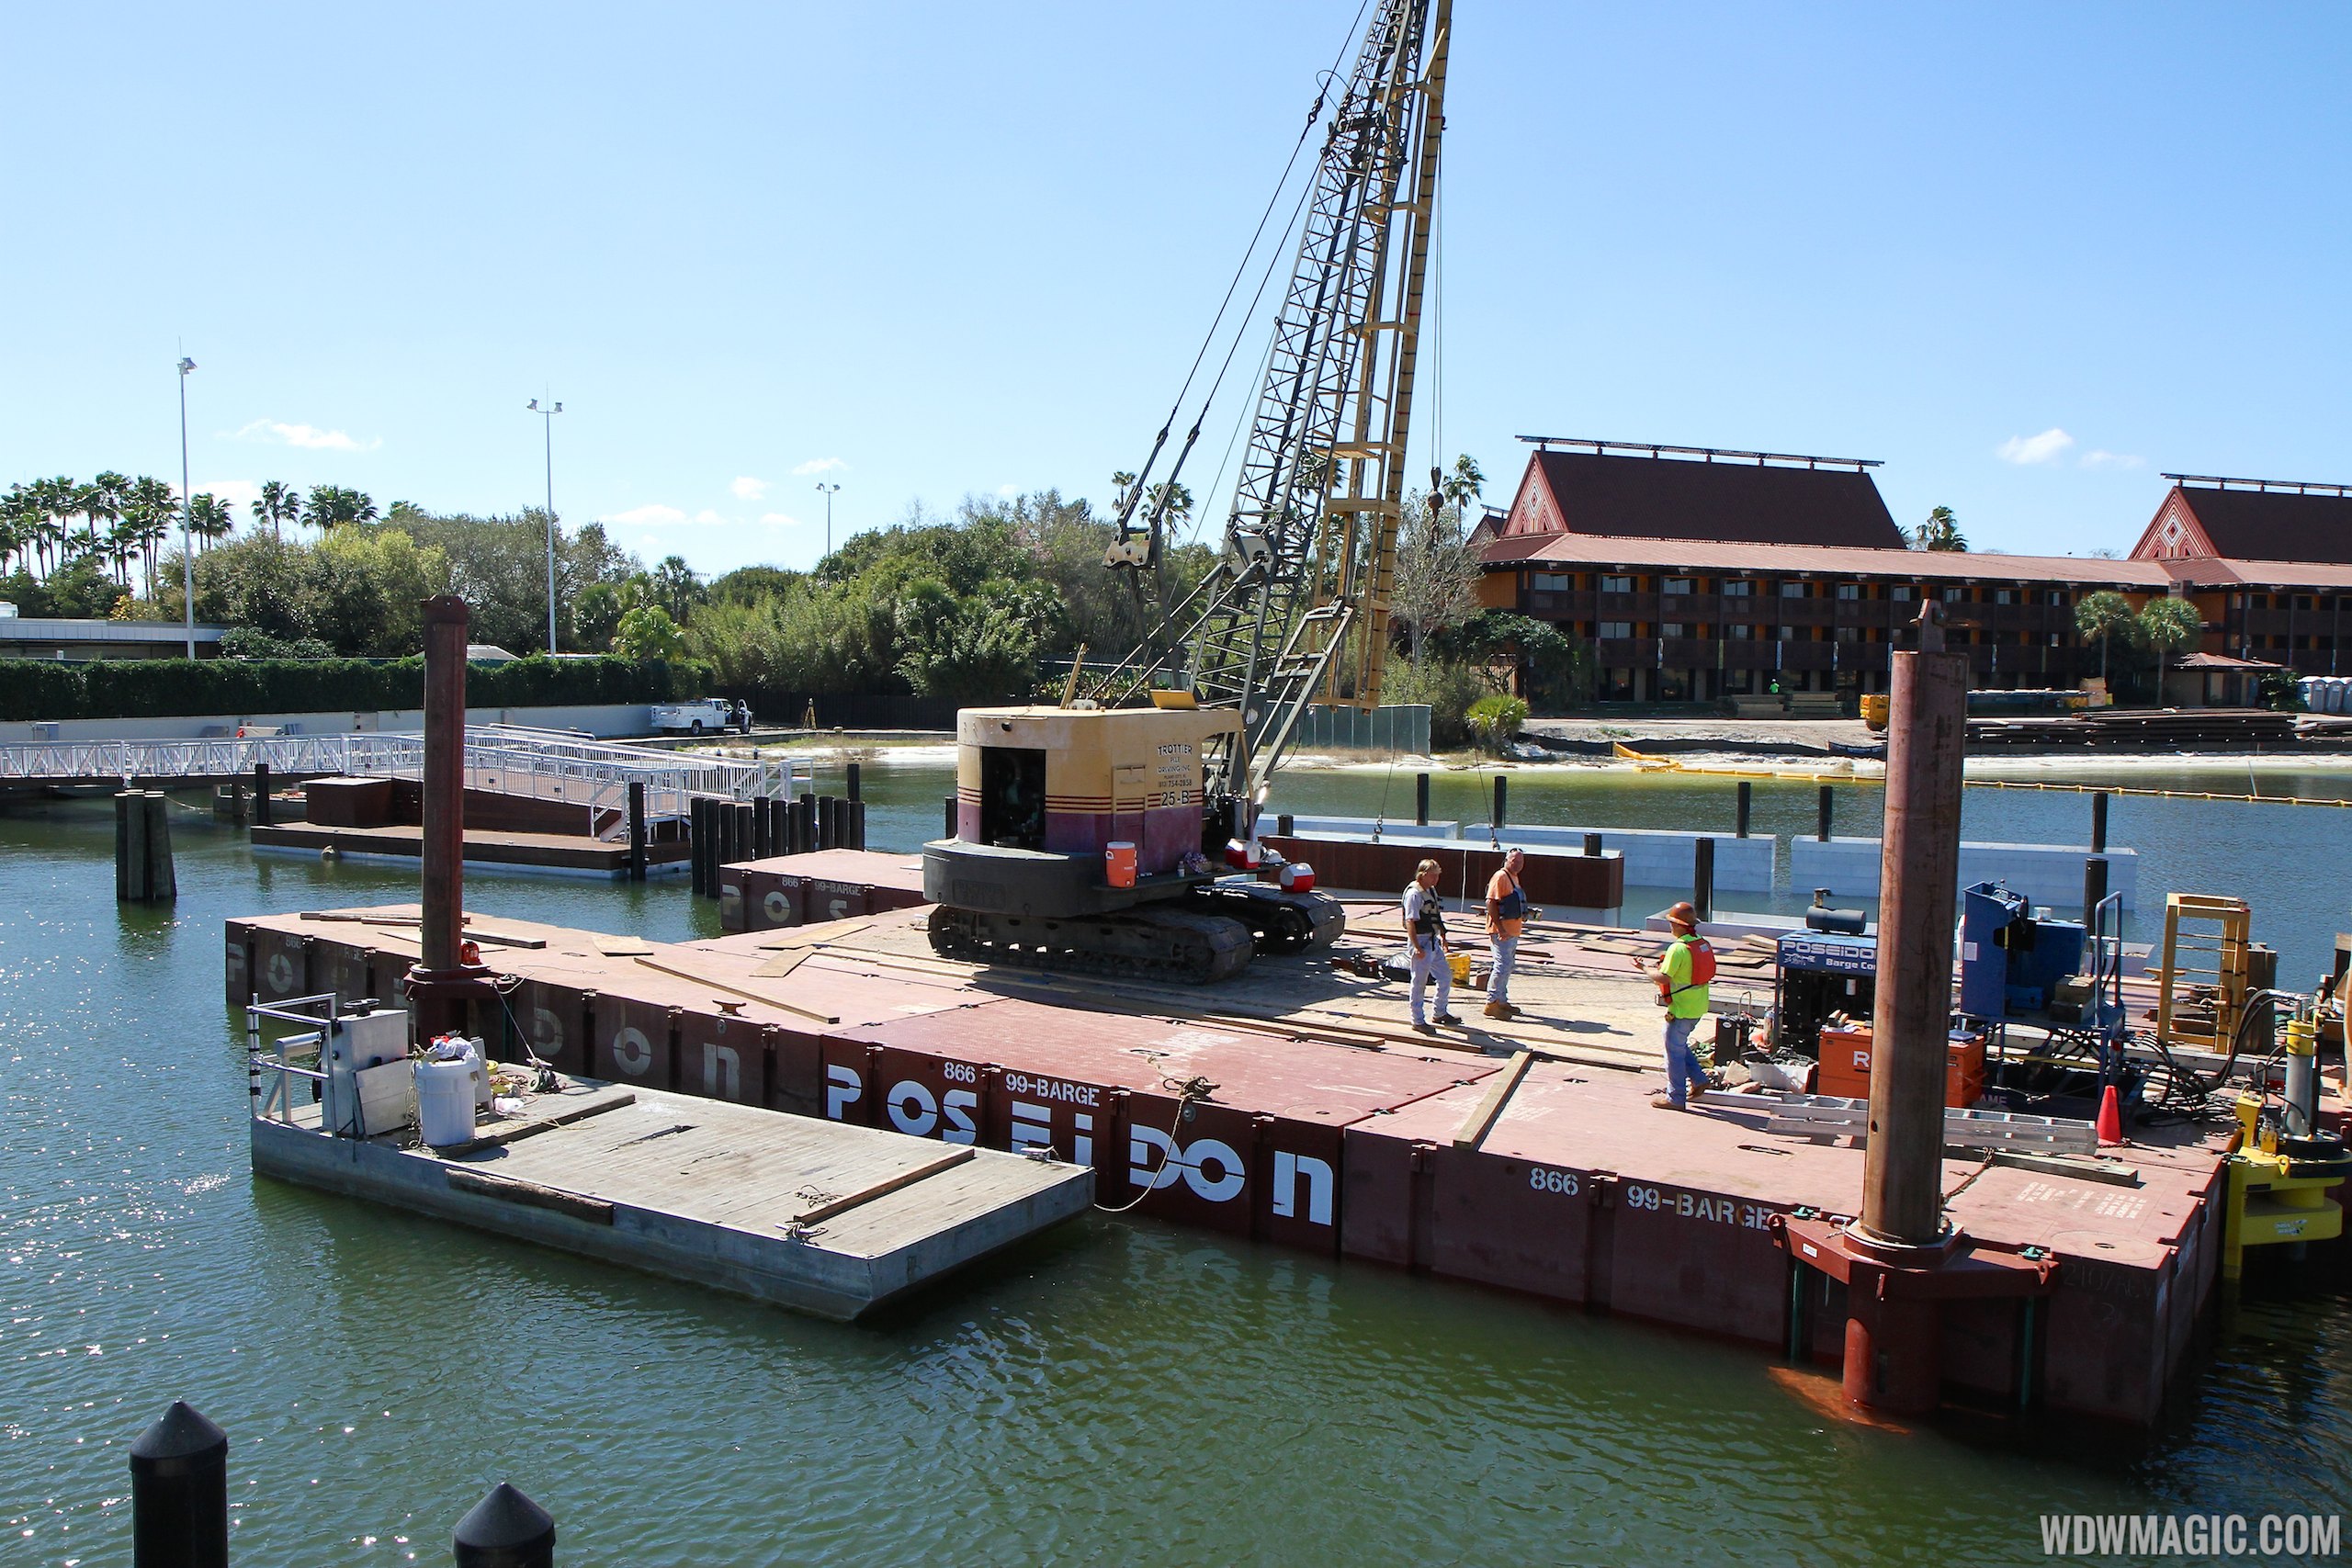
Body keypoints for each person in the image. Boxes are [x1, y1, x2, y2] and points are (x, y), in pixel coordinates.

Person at [1652, 900, 1716, 1110]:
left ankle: (1675, 1097)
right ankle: (1698, 1079)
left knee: (1673, 1053)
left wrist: (1643, 968)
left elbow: (1663, 978)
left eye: (1672, 922)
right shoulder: (1701, 943)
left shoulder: (1678, 949)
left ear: (1679, 925)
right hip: (1697, 1006)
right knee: (1678, 1045)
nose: (1670, 926)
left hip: (1681, 1009)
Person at [1402, 858, 1460, 1033]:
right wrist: (1417, 947)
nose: (1436, 880)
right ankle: (1417, 1019)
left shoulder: (1431, 891)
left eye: (1437, 876)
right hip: (1421, 940)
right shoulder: (1414, 894)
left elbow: (1435, 915)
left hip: (1433, 941)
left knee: (1445, 977)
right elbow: (1410, 921)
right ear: (1423, 875)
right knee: (1419, 982)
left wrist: (1443, 934)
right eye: (1433, 876)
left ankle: (1440, 1012)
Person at [1483, 848, 1529, 1020]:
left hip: (1513, 930)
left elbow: (1510, 903)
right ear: (1506, 860)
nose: (1517, 864)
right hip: (1501, 932)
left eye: (1520, 862)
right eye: (1514, 861)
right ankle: (1492, 1002)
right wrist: (1500, 928)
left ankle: (1502, 1000)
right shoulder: (1501, 876)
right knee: (1501, 966)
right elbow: (1491, 902)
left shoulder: (1514, 878)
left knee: (1508, 965)